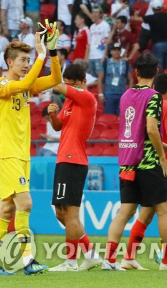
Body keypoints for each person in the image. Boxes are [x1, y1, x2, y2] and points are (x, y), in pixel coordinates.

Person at [102, 54, 167, 272]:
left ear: (135, 72)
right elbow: (151, 129)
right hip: (149, 162)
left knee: (125, 212)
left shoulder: (125, 95)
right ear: (155, 72)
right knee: (165, 211)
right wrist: (162, 157)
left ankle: (109, 259)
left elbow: (134, 131)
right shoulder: (155, 97)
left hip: (127, 162)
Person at [0, 30, 60, 276]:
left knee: (6, 210)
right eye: (23, 60)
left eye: (28, 61)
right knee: (25, 203)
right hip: (6, 154)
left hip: (21, 155)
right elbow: (24, 83)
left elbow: (55, 79)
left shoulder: (26, 85)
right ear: (9, 62)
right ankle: (28, 261)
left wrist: (52, 52)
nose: (26, 65)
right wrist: (40, 55)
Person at [45, 63, 102, 272]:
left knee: (70, 213)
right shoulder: (70, 101)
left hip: (73, 159)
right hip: (65, 159)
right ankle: (90, 254)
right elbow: (59, 126)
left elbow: (57, 86)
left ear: (83, 83)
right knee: (62, 213)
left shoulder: (86, 97)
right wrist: (52, 115)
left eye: (74, 85)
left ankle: (70, 261)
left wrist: (51, 59)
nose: (72, 89)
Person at [98, 43, 133, 115]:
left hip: (122, 95)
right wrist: (100, 94)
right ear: (111, 51)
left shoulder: (126, 63)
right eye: (114, 50)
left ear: (121, 51)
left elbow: (131, 79)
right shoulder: (105, 62)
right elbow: (100, 79)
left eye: (118, 50)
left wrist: (130, 94)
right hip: (108, 94)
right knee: (109, 117)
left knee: (121, 118)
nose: (116, 52)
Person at [143, 1, 167, 71]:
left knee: (159, 66)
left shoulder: (151, 18)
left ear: (153, 9)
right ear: (161, 8)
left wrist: (135, 14)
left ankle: (160, 80)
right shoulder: (166, 16)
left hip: (158, 44)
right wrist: (166, 7)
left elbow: (139, 19)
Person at [87, 7, 109, 77]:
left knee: (100, 78)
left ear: (100, 14)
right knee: (92, 77)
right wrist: (87, 57)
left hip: (100, 55)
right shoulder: (92, 26)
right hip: (91, 56)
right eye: (93, 12)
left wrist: (104, 56)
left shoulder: (105, 25)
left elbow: (107, 41)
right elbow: (89, 43)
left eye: (96, 12)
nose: (94, 14)